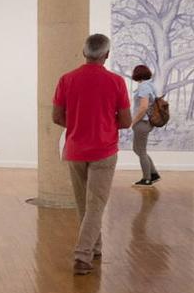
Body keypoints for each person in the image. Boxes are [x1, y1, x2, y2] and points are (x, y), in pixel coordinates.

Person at [52, 34, 132, 275]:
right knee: (96, 204)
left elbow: (56, 117)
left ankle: (95, 247)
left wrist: (78, 125)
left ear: (84, 52)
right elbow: (126, 121)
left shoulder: (67, 80)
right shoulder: (116, 82)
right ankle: (82, 255)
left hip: (75, 149)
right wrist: (105, 123)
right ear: (106, 55)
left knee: (84, 204)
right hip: (104, 150)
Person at [129, 64, 161, 187]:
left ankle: (147, 178)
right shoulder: (150, 85)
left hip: (142, 123)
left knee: (140, 151)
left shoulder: (143, 87)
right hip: (146, 123)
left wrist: (133, 121)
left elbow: (143, 107)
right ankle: (153, 174)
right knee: (138, 149)